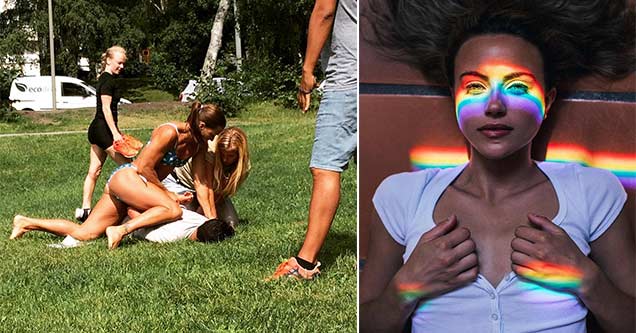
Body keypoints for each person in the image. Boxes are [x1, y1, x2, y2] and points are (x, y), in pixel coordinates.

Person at [360, 1, 634, 332]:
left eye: (517, 86)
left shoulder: (591, 191)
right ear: (454, 96)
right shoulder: (402, 195)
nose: (494, 106)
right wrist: (404, 289)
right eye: (474, 86)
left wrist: (589, 280)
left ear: (547, 101)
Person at [10, 102, 227, 249]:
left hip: (137, 190)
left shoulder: (197, 145)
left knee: (86, 234)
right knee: (171, 209)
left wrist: (212, 222)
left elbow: (202, 184)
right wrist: (168, 193)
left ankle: (26, 223)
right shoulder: (169, 132)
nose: (213, 139)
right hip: (130, 179)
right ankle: (121, 230)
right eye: (213, 133)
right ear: (201, 125)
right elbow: (144, 168)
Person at [268, 0, 357, 280]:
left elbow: (324, 10)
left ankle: (304, 263)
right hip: (388, 74)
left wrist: (307, 71)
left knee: (325, 168)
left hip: (349, 79)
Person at [133, 126, 251, 243]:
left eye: (230, 156)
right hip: (180, 183)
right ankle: (140, 225)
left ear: (239, 155)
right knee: (178, 216)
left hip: (210, 191)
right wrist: (210, 221)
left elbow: (218, 194)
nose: (225, 159)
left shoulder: (244, 168)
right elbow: (206, 187)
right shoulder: (211, 152)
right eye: (223, 154)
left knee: (232, 223)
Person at [76, 45, 130, 222]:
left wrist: (117, 131)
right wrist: (115, 134)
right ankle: (132, 206)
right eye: (119, 63)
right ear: (108, 60)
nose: (121, 67)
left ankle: (85, 210)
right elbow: (106, 109)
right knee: (129, 168)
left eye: (123, 64)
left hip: (98, 129)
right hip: (102, 130)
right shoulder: (107, 80)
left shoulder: (106, 78)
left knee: (94, 171)